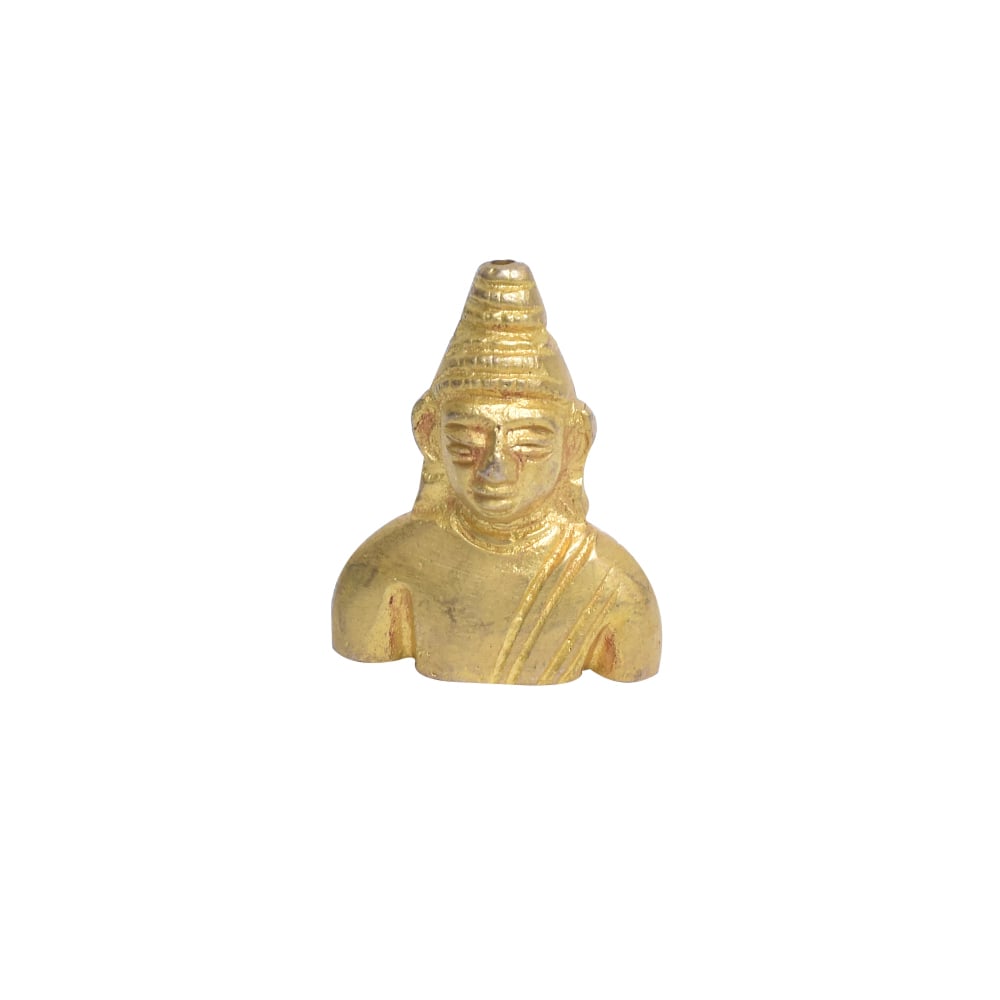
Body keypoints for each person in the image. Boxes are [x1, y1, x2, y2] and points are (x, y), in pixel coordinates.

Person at [332, 260, 661, 684]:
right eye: (466, 443)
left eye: (528, 444)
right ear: (428, 433)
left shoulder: (615, 589)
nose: (496, 469)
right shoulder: (382, 575)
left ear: (574, 442)